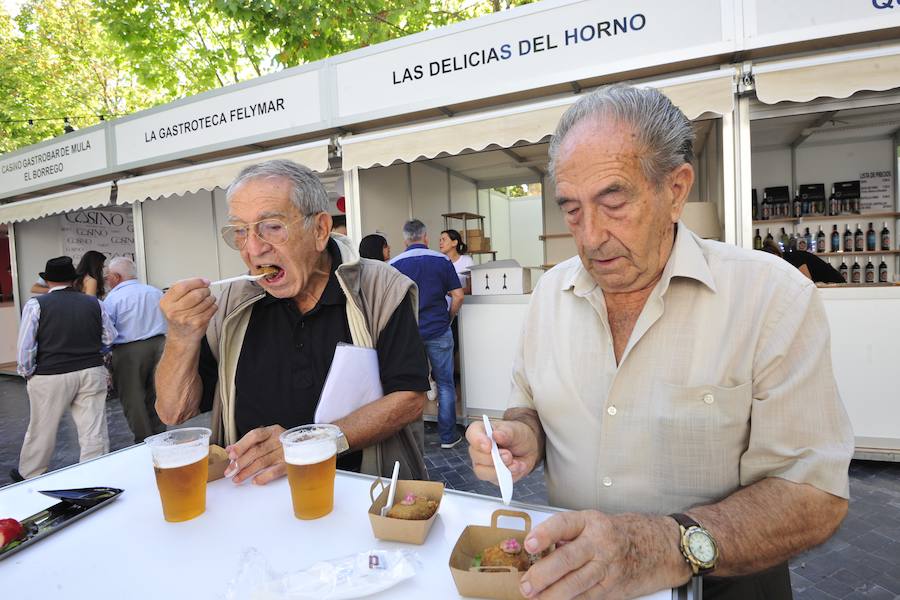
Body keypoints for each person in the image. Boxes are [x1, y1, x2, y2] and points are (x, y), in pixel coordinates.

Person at [466, 84, 853, 599]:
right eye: (572, 209)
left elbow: (813, 494)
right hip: (575, 581)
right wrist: (522, 437)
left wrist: (662, 547)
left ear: (675, 189)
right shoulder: (549, 295)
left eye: (613, 200)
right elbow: (531, 406)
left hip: (724, 587)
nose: (590, 236)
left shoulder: (772, 297)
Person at [155, 159, 430, 484]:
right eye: (241, 231)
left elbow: (410, 398)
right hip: (249, 493)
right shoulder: (228, 305)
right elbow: (173, 412)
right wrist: (181, 336)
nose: (253, 249)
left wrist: (312, 445)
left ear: (319, 230)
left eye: (271, 226)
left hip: (353, 494)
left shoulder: (380, 288)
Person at [13, 256, 117, 481]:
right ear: (73, 280)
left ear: (48, 281)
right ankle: (95, 473)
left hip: (50, 373)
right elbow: (110, 336)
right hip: (90, 369)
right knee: (93, 428)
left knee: (43, 427)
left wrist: (27, 372)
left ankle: (31, 473)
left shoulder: (36, 304)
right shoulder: (94, 303)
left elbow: (26, 346)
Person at [389, 220, 465, 449]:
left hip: (409, 336)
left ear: (405, 240)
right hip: (439, 330)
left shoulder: (393, 265)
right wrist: (449, 318)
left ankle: (414, 441)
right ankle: (448, 436)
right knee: (445, 384)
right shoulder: (441, 260)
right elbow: (458, 295)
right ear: (426, 237)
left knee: (412, 387)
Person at [102, 256, 168, 443]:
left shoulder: (113, 299)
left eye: (108, 276)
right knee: (157, 393)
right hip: (159, 345)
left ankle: (143, 439)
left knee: (133, 397)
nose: (107, 280)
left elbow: (107, 330)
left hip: (128, 350)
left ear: (116, 276)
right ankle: (161, 435)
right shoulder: (154, 292)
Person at [760, 240, 845, 284]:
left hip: (837, 285)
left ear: (776, 255)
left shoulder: (793, 259)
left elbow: (806, 284)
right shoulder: (784, 261)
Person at [438, 229, 473, 294]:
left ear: (454, 243)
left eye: (444, 240)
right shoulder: (438, 262)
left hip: (463, 302)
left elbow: (471, 288)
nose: (440, 243)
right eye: (440, 240)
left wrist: (451, 293)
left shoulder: (467, 261)